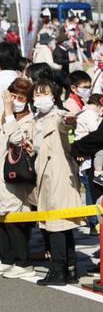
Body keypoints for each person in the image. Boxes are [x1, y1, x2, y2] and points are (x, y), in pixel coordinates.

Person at [13, 79, 85, 286]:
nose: (40, 97)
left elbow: (66, 126)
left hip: (58, 176)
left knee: (56, 225)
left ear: (53, 96)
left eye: (44, 93)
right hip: (45, 176)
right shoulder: (36, 120)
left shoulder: (58, 116)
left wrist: (70, 122)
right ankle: (70, 267)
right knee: (61, 225)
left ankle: (58, 270)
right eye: (36, 94)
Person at [0, 78, 37, 279]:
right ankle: (7, 258)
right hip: (1, 177)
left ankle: (23, 261)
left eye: (20, 97)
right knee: (2, 218)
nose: (14, 100)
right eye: (12, 96)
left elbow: (16, 139)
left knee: (14, 217)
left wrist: (7, 112)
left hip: (15, 179)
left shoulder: (29, 121)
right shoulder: (6, 116)